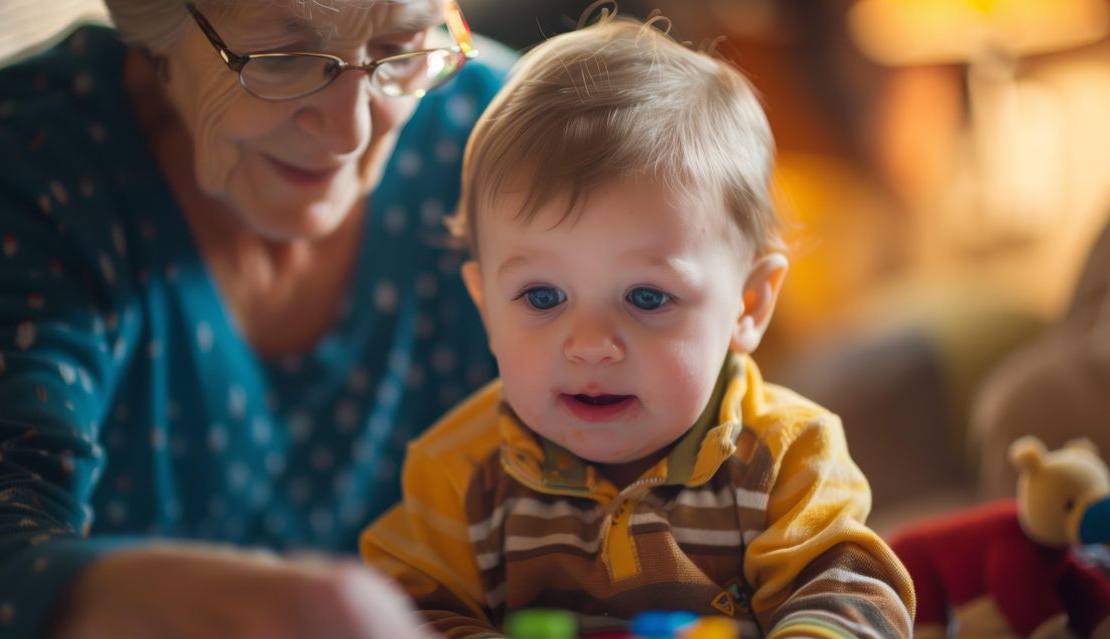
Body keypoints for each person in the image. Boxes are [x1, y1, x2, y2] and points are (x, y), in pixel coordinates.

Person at [360, 10, 916, 638]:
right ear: (486, 307)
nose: (591, 345)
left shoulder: (788, 456)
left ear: (750, 304)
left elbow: (853, 599)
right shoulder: (457, 474)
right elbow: (402, 615)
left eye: (647, 297)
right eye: (542, 296)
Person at [0, 0, 507, 637]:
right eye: (287, 60)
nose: (351, 132)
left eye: (398, 49)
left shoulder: (504, 141)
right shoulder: (34, 164)